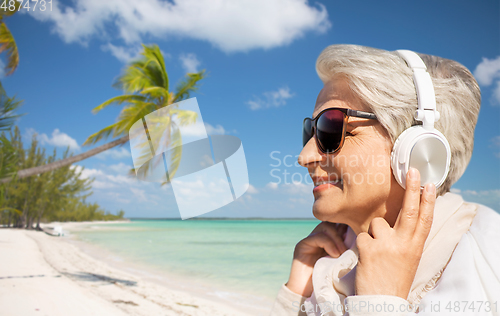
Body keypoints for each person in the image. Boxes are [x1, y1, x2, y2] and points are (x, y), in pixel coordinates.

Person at [270, 45, 500, 316]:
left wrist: (380, 304)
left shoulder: (483, 259)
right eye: (311, 131)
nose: (304, 156)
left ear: (416, 147)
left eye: (330, 128)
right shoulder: (335, 256)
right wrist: (295, 294)